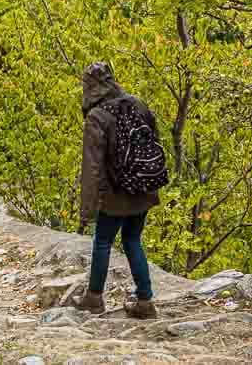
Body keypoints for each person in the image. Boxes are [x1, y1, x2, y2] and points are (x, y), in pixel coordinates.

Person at [72, 62, 161, 319]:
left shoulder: (97, 117)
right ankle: (145, 300)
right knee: (133, 240)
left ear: (91, 87)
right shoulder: (138, 105)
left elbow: (92, 168)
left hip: (115, 194)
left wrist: (87, 210)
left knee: (103, 242)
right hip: (143, 187)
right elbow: (154, 143)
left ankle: (94, 298)